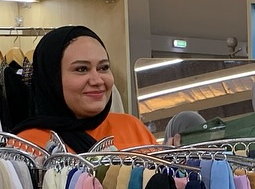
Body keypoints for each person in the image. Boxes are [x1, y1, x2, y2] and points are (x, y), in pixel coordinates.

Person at [15, 25, 156, 151]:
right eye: (81, 69)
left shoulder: (133, 128)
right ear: (52, 79)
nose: (97, 80)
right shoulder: (26, 146)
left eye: (103, 67)